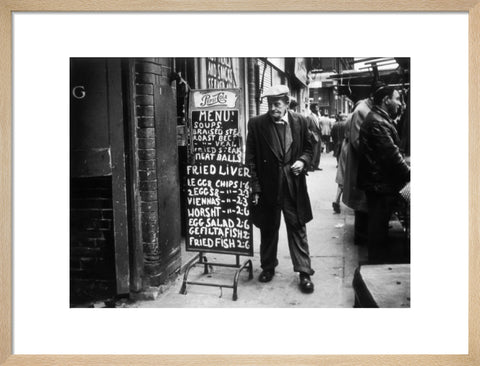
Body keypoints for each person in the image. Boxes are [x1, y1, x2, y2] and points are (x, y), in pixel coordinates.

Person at [246, 85, 315, 294]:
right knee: (268, 228)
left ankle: (304, 272)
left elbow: (310, 148)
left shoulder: (300, 122)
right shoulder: (257, 124)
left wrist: (303, 161)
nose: (273, 108)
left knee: (297, 227)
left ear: (287, 103)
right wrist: (255, 188)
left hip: (293, 187)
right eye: (269, 104)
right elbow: (250, 159)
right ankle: (268, 267)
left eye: (277, 104)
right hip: (268, 187)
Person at [358, 86, 410, 263]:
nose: (400, 103)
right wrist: (410, 173)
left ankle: (377, 262)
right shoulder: (378, 122)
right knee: (377, 230)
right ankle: (376, 266)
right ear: (386, 100)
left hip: (378, 183)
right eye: (397, 99)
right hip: (379, 185)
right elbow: (392, 156)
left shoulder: (379, 118)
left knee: (378, 228)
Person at [342, 96, 373, 246]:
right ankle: (361, 237)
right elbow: (357, 141)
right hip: (361, 164)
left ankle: (363, 235)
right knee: (361, 203)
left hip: (363, 164)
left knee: (363, 203)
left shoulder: (365, 109)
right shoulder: (361, 110)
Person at [331, 114, 348, 214]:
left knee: (341, 173)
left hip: (340, 145)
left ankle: (336, 200)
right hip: (348, 147)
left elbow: (332, 134)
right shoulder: (348, 124)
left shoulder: (336, 124)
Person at [306, 103, 322, 171]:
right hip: (313, 136)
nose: (318, 109)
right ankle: (311, 166)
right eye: (316, 107)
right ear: (312, 109)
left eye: (318, 107)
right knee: (313, 151)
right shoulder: (309, 117)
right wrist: (311, 134)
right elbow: (306, 128)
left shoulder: (317, 116)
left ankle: (316, 165)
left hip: (319, 136)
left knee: (318, 151)